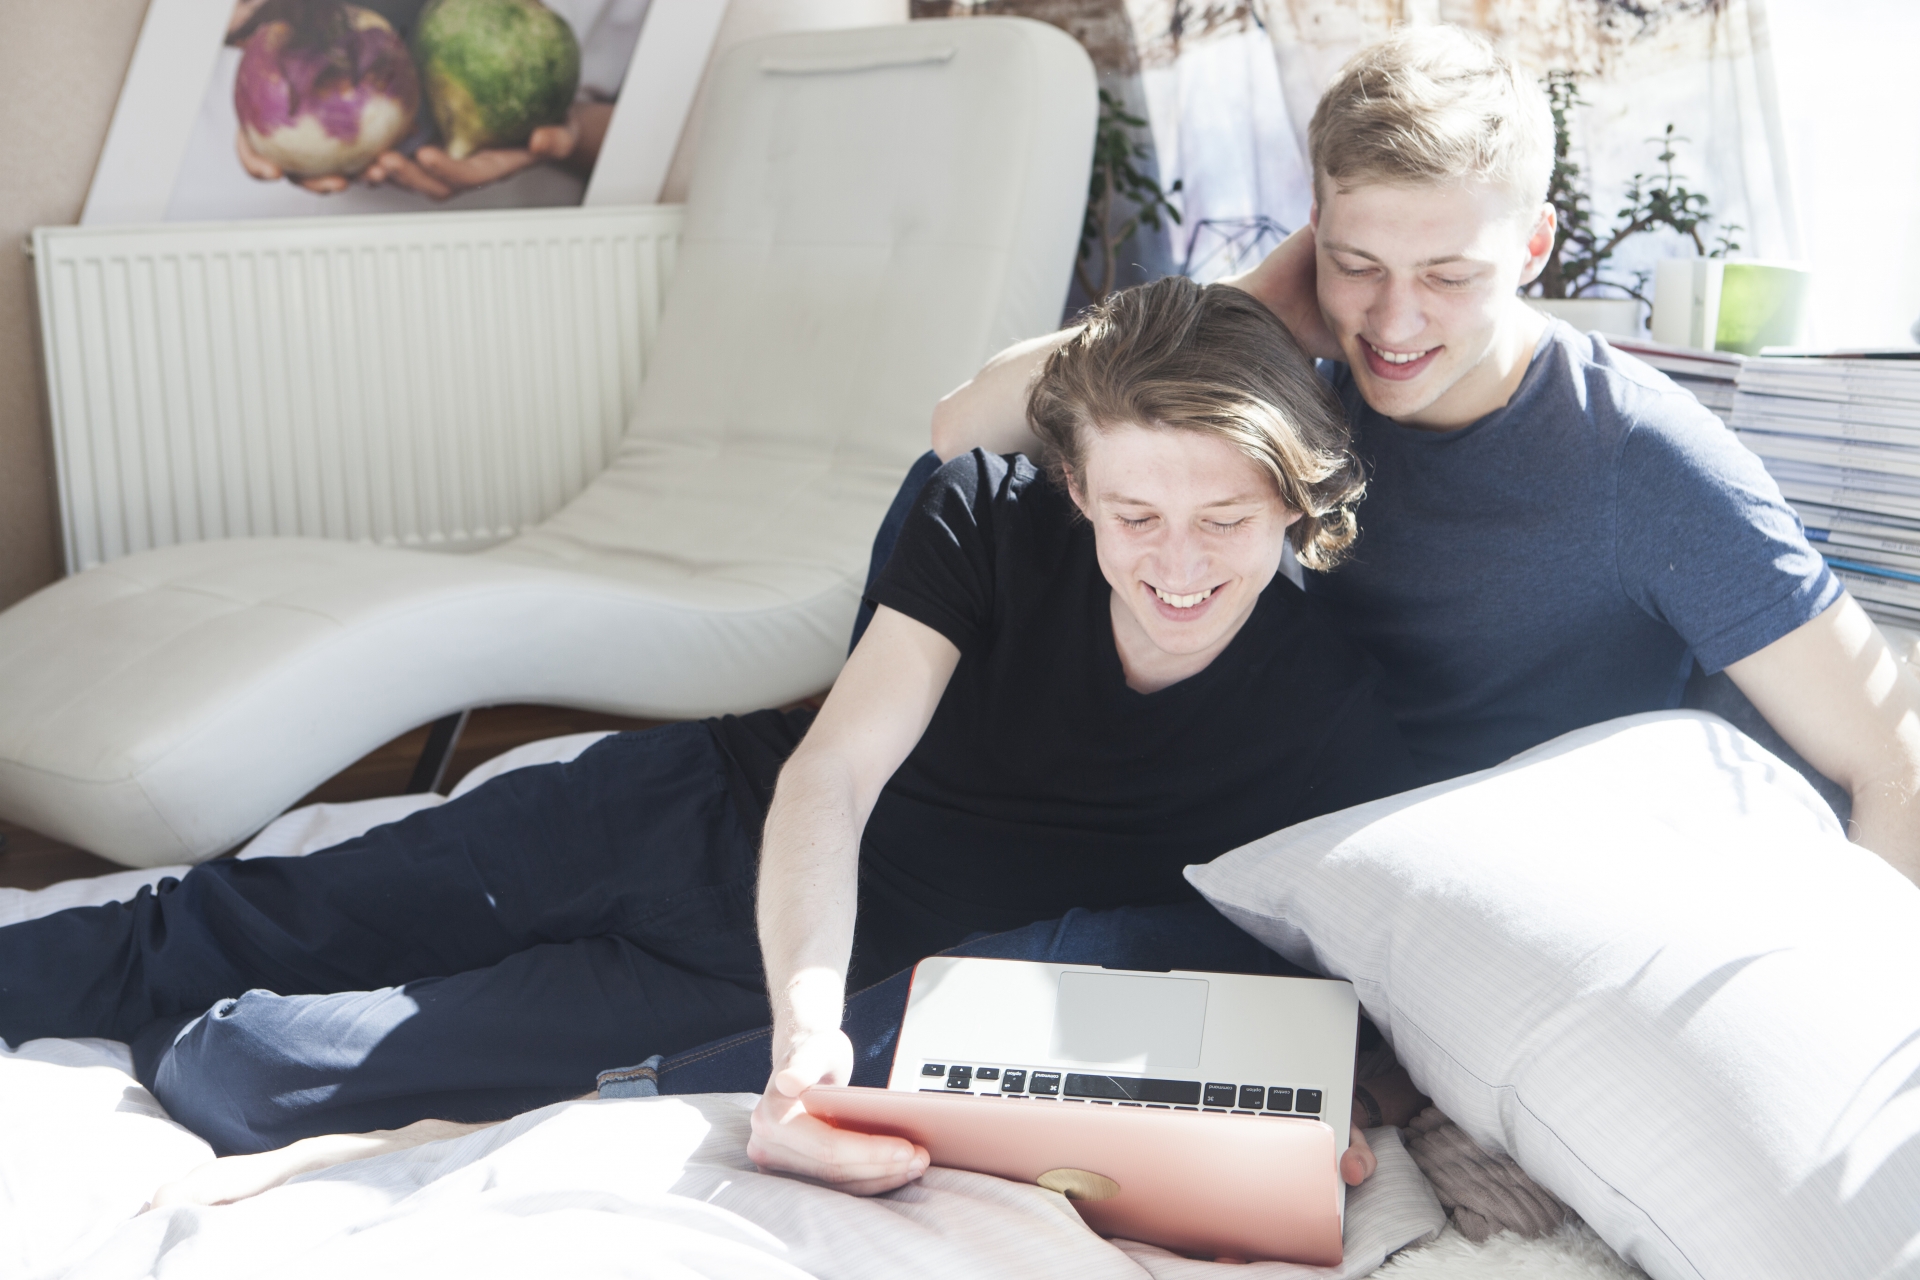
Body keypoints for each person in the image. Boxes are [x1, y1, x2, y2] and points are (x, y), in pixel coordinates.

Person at [0, 278, 1414, 1198]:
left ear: (1298, 506)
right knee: (230, 918)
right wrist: (811, 1021)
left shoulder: (1329, 719)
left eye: (1225, 520)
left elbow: (1324, 968)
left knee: (238, 1075)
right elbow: (834, 773)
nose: (1177, 564)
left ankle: (198, 1042)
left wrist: (1314, 1106)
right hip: (695, 821)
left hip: (744, 985)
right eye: (1135, 515)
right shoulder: (988, 514)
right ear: (1077, 487)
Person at [928, 26, 1920, 885]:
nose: (1393, 323)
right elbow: (959, 434)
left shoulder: (1643, 456)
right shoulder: (1303, 379)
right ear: (1313, 235)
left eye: (1448, 276)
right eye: (1357, 264)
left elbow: (1893, 763)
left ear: (1534, 247)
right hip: (1268, 820)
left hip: (1487, 883)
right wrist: (1237, 308)